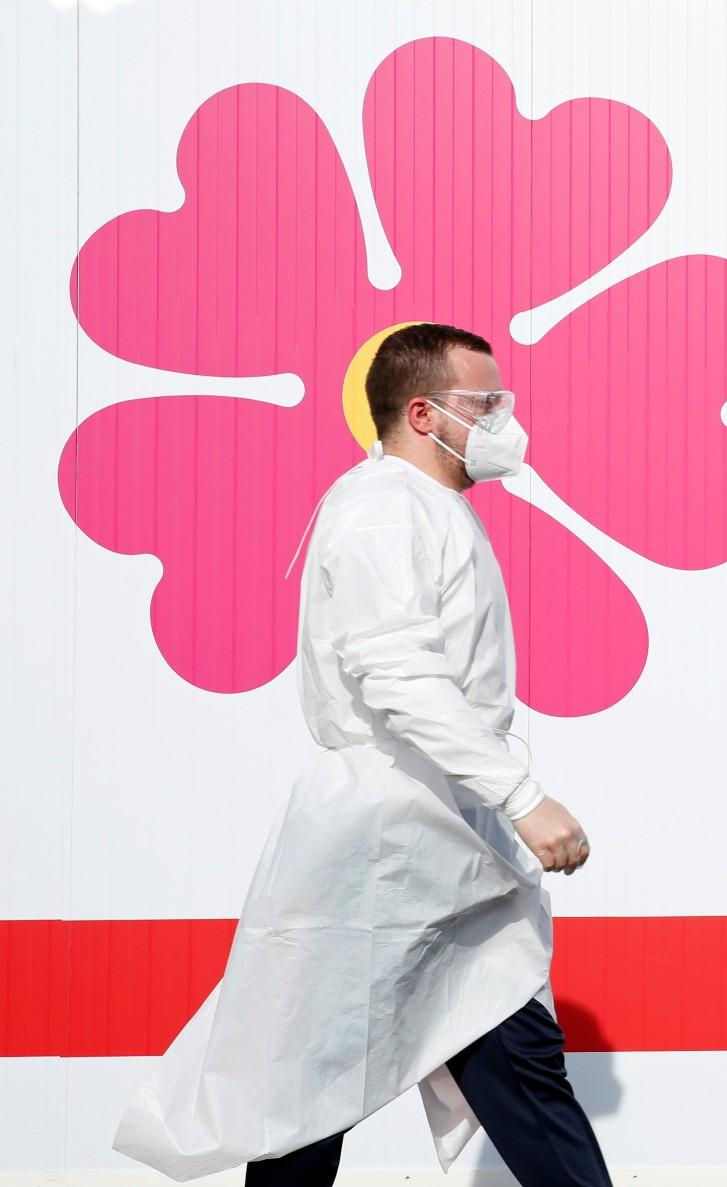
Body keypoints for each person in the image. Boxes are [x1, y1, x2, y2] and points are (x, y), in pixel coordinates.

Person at [110, 323, 613, 1186]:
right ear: (423, 412)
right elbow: (396, 672)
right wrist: (523, 796)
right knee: (337, 1076)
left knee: (325, 1077)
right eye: (485, 403)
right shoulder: (386, 508)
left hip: (425, 832)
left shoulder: (417, 508)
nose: (503, 420)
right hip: (399, 833)